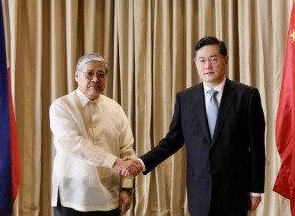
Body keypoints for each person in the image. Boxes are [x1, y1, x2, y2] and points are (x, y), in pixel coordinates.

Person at [125, 36, 266, 216]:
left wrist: (255, 190)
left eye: (213, 59)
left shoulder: (247, 96)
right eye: (202, 60)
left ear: (226, 60)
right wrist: (141, 163)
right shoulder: (185, 99)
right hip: (199, 190)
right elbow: (172, 141)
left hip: (235, 188)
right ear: (196, 63)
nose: (207, 65)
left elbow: (256, 147)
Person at [50, 53, 142, 216]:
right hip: (72, 195)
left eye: (101, 74)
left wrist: (127, 188)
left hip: (109, 196)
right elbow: (74, 143)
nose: (95, 79)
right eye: (89, 73)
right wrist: (115, 162)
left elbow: (127, 150)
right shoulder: (61, 106)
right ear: (77, 76)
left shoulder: (115, 109)